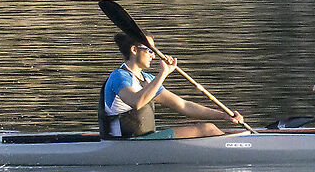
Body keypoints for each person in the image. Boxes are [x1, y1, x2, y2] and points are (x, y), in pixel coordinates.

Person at [100, 33, 234, 138]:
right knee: (208, 129)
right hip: (122, 144)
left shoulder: (148, 79)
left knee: (209, 128)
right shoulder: (119, 76)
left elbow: (184, 105)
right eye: (149, 50)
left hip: (144, 142)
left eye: (154, 51)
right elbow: (137, 102)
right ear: (134, 50)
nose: (153, 55)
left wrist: (224, 116)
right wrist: (163, 74)